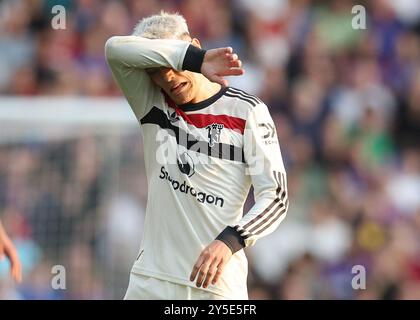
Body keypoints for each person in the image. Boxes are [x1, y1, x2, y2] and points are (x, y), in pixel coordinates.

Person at [105, 11, 289, 300]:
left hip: (214, 285)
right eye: (155, 68)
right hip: (151, 280)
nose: (167, 76)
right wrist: (193, 60)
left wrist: (231, 240)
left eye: (172, 63)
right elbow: (115, 49)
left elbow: (276, 196)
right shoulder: (150, 100)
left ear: (194, 44)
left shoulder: (247, 111)